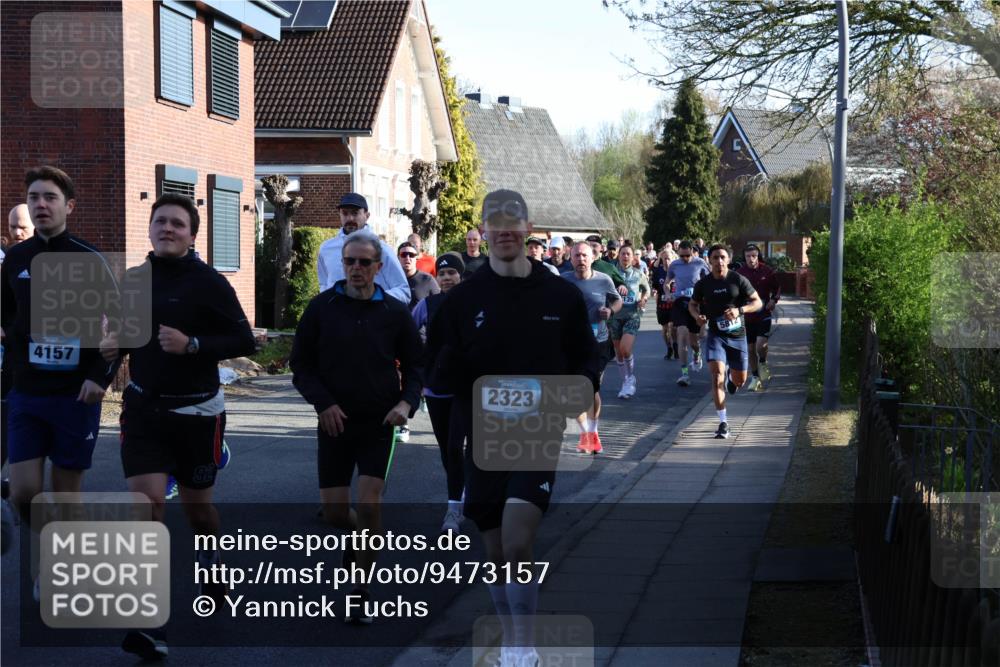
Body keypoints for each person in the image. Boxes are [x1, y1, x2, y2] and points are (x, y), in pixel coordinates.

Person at [426, 190, 598, 665]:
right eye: (494, 221)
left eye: (513, 220)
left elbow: (587, 356)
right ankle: (510, 637)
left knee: (519, 541)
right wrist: (451, 368)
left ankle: (523, 648)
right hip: (482, 436)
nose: (504, 229)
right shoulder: (462, 300)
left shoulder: (560, 295)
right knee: (497, 549)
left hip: (537, 432)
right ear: (483, 229)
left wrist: (580, 386)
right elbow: (436, 368)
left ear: (528, 228)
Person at [99, 192, 255, 658]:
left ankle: (212, 561)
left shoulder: (208, 283)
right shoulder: (133, 281)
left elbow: (243, 339)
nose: (167, 228)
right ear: (149, 229)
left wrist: (193, 345)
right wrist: (106, 360)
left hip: (197, 414)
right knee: (145, 506)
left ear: (191, 235)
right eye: (160, 221)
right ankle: (149, 623)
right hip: (144, 411)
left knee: (198, 514)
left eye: (177, 224)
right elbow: (125, 336)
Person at [291, 228, 422, 623]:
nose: (356, 268)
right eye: (350, 261)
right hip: (334, 422)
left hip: (379, 421)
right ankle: (361, 538)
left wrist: (406, 403)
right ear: (342, 264)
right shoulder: (322, 308)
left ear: (379, 268)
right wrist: (324, 403)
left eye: (365, 262)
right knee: (335, 514)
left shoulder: (394, 313)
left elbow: (417, 366)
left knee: (368, 504)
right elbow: (301, 365)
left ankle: (359, 592)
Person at [1, 167, 120, 533]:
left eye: (50, 197)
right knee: (23, 493)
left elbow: (123, 323)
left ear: (69, 206)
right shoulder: (16, 259)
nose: (41, 204)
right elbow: (7, 314)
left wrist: (100, 377)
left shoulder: (90, 259)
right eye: (33, 197)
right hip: (27, 393)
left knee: (66, 496)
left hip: (75, 395)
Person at [411, 252, 465, 533]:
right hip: (436, 386)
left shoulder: (473, 302)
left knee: (458, 447)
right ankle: (459, 494)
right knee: (447, 449)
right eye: (441, 274)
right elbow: (408, 336)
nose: (446, 278)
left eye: (451, 273)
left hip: (466, 387)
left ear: (460, 275)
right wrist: (418, 373)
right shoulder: (427, 305)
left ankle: (454, 509)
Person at [689, 244, 763, 439]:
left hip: (737, 337)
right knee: (716, 376)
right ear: (709, 260)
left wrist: (740, 310)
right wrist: (697, 316)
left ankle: (732, 378)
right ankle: (723, 423)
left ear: (728, 260)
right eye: (715, 257)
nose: (719, 261)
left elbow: (757, 302)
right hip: (716, 336)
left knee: (740, 381)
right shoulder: (703, 284)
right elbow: (692, 304)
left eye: (722, 257)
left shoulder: (738, 279)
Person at [564, 242, 621, 453]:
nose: (581, 259)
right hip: (572, 344)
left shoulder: (604, 280)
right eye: (577, 256)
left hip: (598, 342)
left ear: (592, 258)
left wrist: (610, 311)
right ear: (571, 259)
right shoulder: (563, 281)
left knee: (591, 388)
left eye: (584, 255)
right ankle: (585, 432)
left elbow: (617, 301)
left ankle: (592, 431)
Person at [316, 193, 410, 304]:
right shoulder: (326, 249)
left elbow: (403, 291)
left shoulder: (382, 249)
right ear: (339, 214)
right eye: (345, 213)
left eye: (355, 213)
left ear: (367, 215)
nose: (350, 218)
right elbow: (324, 285)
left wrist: (373, 301)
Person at [735, 244, 781, 391]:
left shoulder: (767, 271)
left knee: (760, 345)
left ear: (758, 256)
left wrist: (773, 300)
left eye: (753, 256)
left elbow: (777, 288)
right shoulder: (739, 273)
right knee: (750, 349)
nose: (751, 259)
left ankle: (762, 361)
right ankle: (755, 378)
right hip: (747, 315)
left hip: (763, 313)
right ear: (744, 257)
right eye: (748, 256)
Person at [610, 245, 650, 399]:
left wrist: (643, 299)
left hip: (632, 315)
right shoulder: (611, 273)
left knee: (625, 349)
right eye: (623, 254)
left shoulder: (638, 274)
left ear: (633, 257)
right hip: (615, 317)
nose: (625, 256)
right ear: (618, 256)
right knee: (618, 353)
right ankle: (626, 382)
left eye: (628, 254)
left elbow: (646, 289)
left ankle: (630, 377)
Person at [668, 241, 710, 386]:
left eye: (687, 255)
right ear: (678, 253)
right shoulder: (674, 265)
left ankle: (697, 354)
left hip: (696, 303)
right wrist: (668, 292)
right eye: (682, 256)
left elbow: (709, 280)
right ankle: (684, 374)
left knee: (694, 341)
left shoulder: (700, 263)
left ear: (692, 251)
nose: (685, 258)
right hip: (680, 302)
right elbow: (667, 282)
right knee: (682, 333)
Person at [651, 247, 678, 360]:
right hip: (662, 304)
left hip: (674, 304)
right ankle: (669, 348)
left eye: (669, 258)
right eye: (665, 258)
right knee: (665, 329)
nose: (667, 261)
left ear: (673, 259)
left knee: (673, 327)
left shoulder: (677, 271)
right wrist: (654, 290)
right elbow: (654, 285)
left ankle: (676, 346)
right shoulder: (658, 271)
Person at [398, 240, 440, 308]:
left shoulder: (427, 280)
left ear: (416, 258)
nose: (407, 258)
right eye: (404, 255)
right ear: (398, 258)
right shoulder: (391, 279)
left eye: (411, 255)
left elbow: (439, 304)